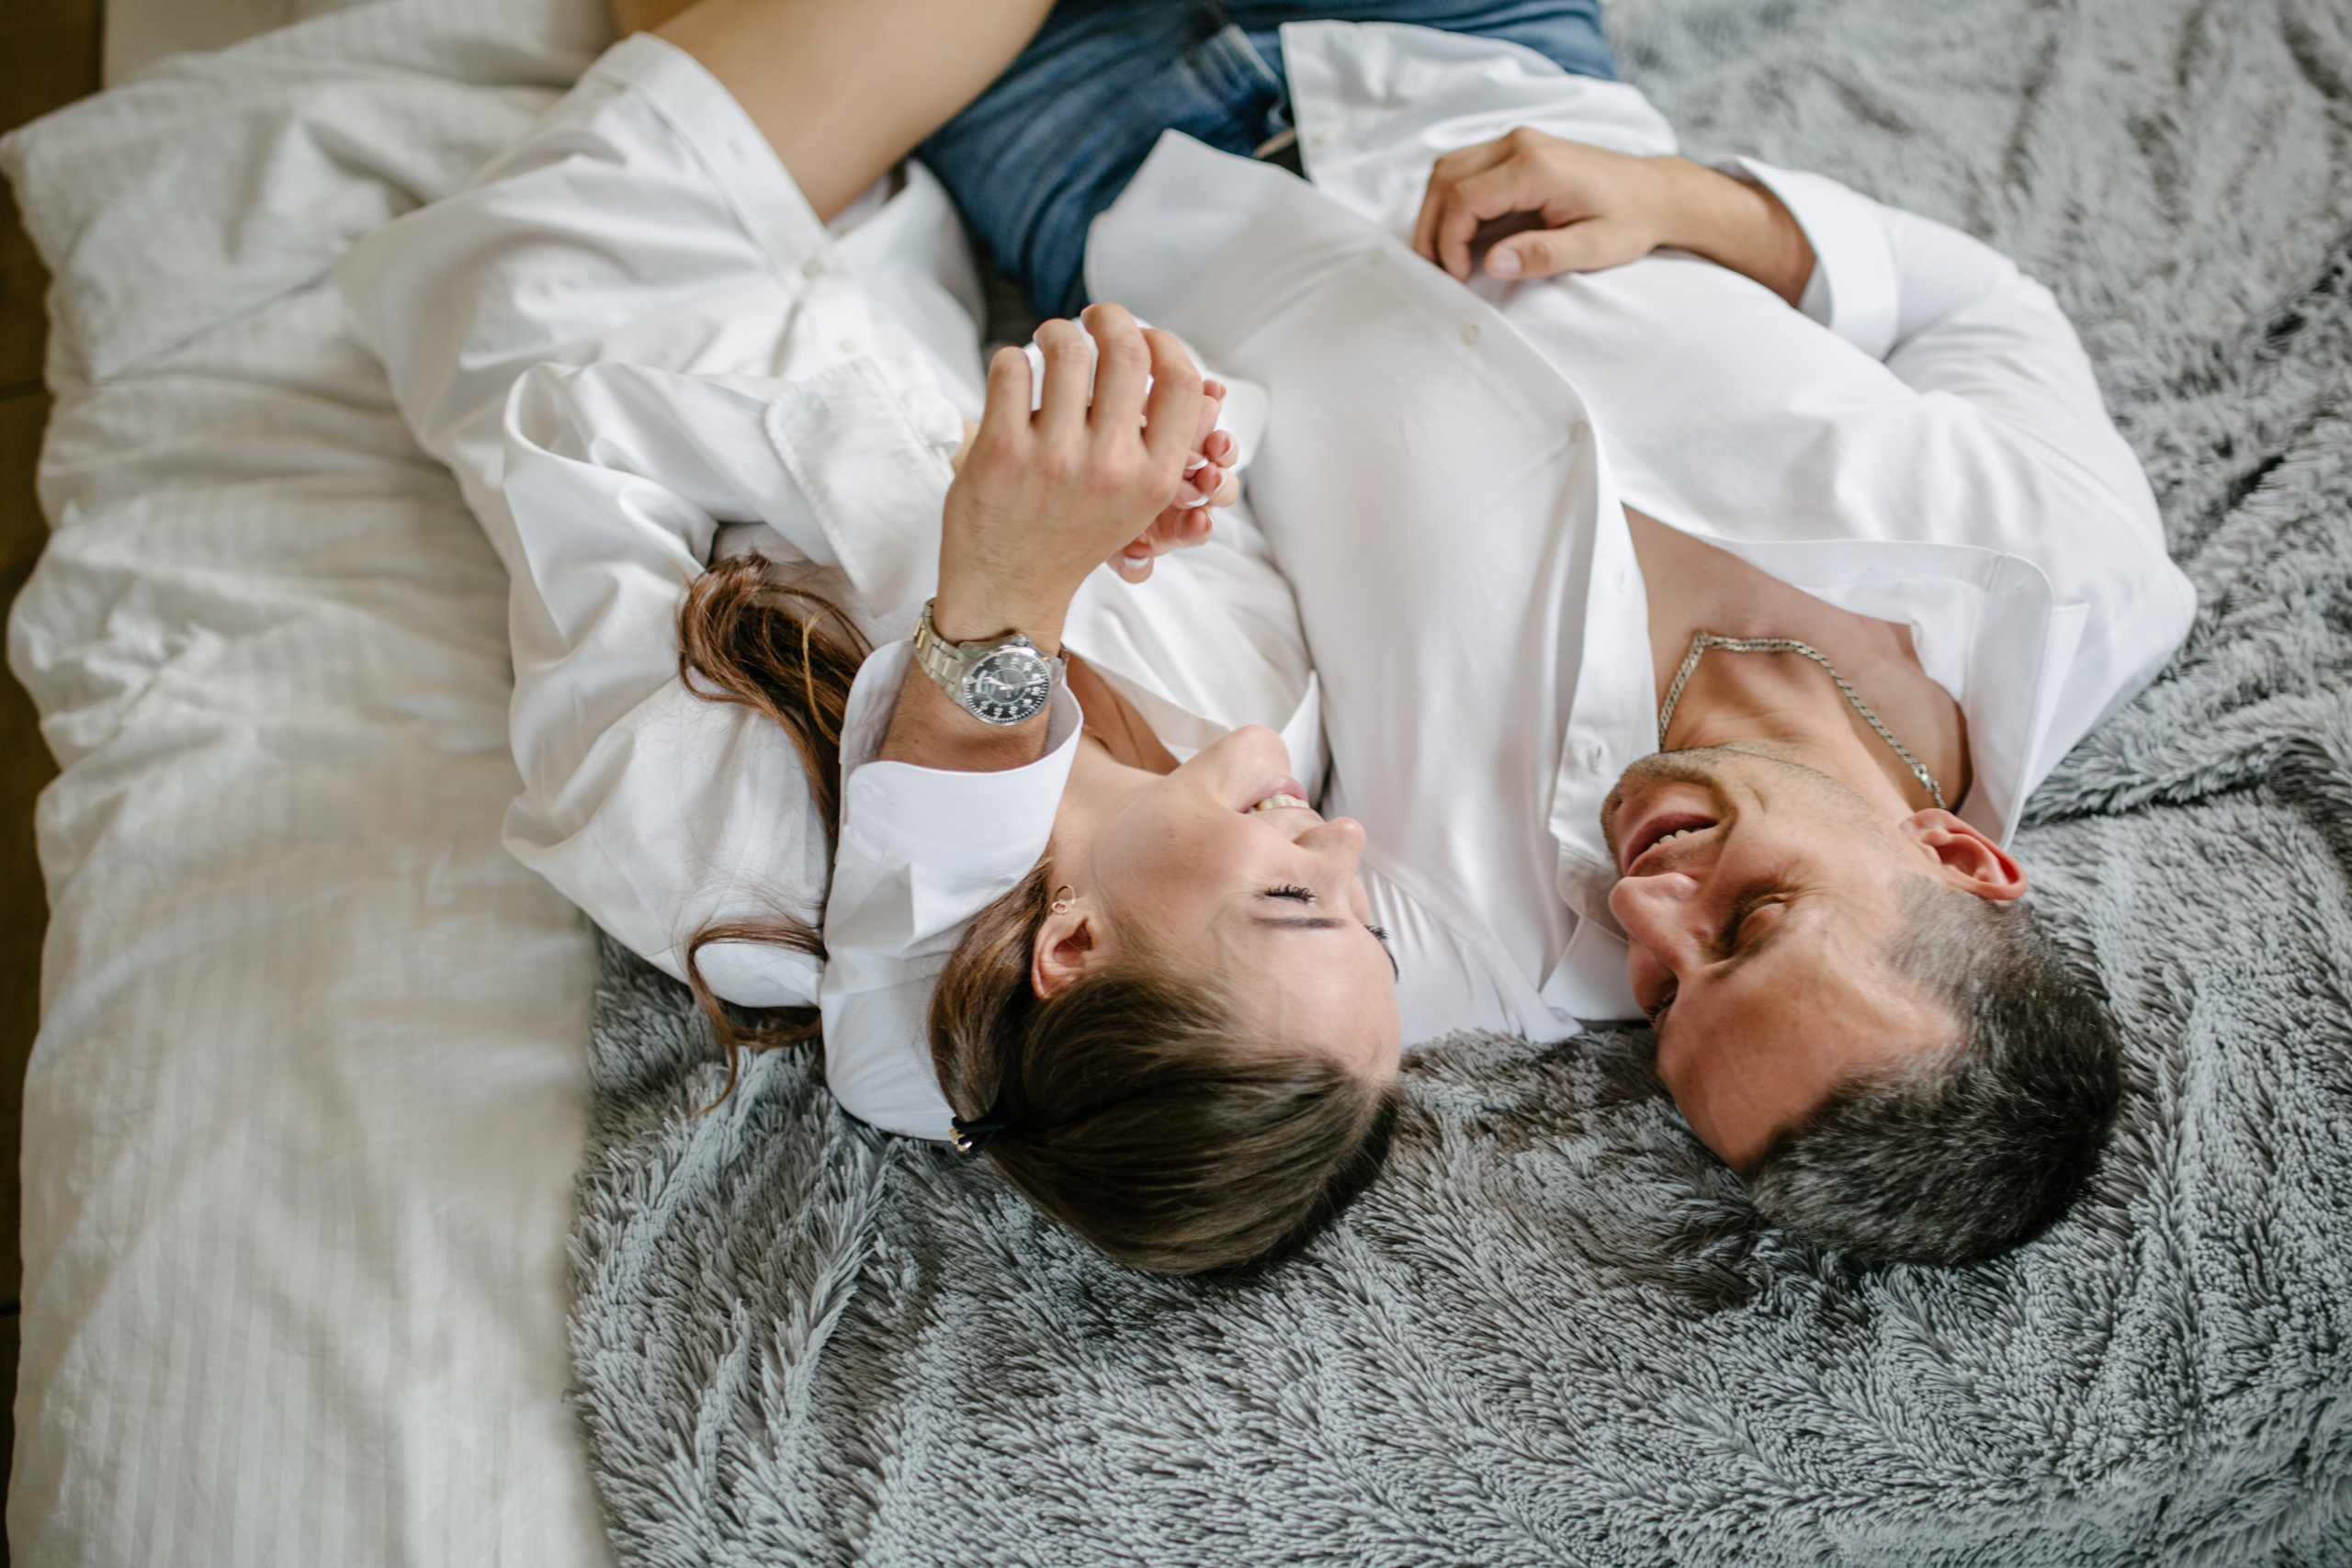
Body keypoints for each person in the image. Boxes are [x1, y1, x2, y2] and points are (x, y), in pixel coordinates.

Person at [338, 0, 2193, 1273]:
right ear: (1961, 855)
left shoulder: (1473, 945)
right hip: (1476, 57)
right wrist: (1693, 207)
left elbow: (934, 1054)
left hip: (1113, 168)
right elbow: (1981, 310)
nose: (1646, 909)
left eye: (1663, 997)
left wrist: (1017, 604)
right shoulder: (2074, 583)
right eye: (1752, 921)